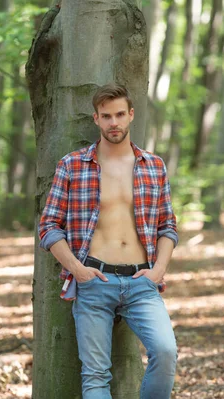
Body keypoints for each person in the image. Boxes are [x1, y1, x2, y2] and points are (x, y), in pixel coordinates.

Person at [38, 83, 178, 399]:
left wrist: (158, 271)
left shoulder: (153, 166)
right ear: (96, 119)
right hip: (92, 280)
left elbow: (167, 227)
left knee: (166, 352)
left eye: (119, 115)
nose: (113, 123)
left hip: (143, 281)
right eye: (106, 116)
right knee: (95, 375)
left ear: (130, 115)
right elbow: (48, 226)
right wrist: (77, 269)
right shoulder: (72, 164)